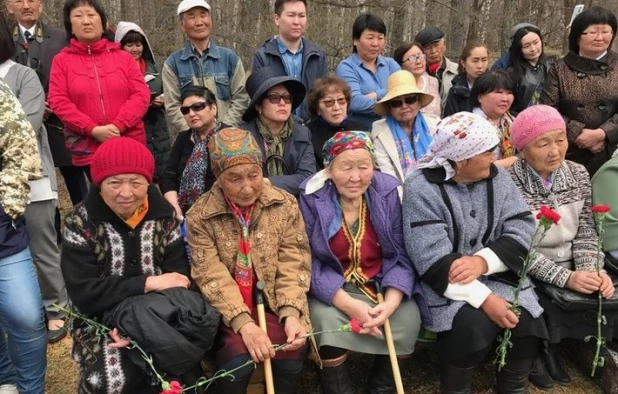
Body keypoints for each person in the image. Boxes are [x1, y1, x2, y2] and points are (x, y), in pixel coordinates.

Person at [403, 112, 547, 394]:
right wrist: (485, 299)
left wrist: (483, 262)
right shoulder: (422, 187)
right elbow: (429, 254)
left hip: (499, 272)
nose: (494, 157)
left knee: (527, 318)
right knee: (471, 325)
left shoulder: (498, 179)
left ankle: (513, 386)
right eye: (486, 152)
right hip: (448, 282)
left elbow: (521, 226)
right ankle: (456, 388)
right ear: (460, 159)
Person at [61, 137, 210, 394]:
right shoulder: (80, 223)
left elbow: (179, 280)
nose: (126, 193)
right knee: (109, 381)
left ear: (149, 182)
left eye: (136, 182)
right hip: (97, 321)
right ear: (99, 183)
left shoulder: (164, 218)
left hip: (158, 317)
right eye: (115, 183)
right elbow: (85, 293)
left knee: (182, 381)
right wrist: (148, 282)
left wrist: (143, 327)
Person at [299, 131, 428, 394]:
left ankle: (380, 389)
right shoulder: (311, 197)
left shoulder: (389, 191)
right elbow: (306, 259)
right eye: (346, 167)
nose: (356, 177)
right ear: (329, 168)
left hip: (380, 284)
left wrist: (391, 304)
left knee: (408, 317)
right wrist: (347, 304)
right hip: (333, 289)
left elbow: (402, 253)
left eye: (364, 167)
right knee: (324, 321)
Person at [186, 127, 311, 394]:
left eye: (254, 175)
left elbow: (295, 260)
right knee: (237, 362)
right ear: (218, 177)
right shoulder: (200, 216)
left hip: (275, 301)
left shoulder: (284, 204)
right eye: (234, 178)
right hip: (228, 308)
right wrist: (245, 324)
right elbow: (209, 274)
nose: (246, 187)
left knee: (289, 354)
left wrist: (291, 313)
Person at [509, 105, 616, 390]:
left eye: (560, 140)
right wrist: (566, 278)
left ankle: (578, 346)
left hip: (571, 259)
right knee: (531, 298)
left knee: (602, 287)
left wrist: (592, 269)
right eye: (543, 143)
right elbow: (517, 248)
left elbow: (586, 231)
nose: (555, 150)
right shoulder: (509, 183)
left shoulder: (578, 174)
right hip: (530, 268)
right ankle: (540, 352)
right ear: (521, 148)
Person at [0, 11, 68, 344]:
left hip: (32, 179)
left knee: (42, 247)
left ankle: (55, 308)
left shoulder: (23, 75)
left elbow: (26, 125)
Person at [48, 0, 150, 176]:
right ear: (70, 26)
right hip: (88, 146)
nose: (86, 21)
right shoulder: (61, 61)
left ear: (103, 24)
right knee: (101, 197)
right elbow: (58, 100)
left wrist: (119, 125)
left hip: (128, 141)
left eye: (91, 15)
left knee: (133, 195)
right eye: (78, 16)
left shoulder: (123, 58)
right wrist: (92, 129)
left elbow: (141, 94)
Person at [7, 0, 89, 205]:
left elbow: (75, 75)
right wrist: (28, 106)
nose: (26, 6)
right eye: (19, 1)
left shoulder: (61, 38)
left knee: (77, 184)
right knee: (38, 189)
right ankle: (51, 232)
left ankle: (85, 229)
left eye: (32, 0)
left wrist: (52, 101)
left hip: (61, 124)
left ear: (41, 5)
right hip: (22, 125)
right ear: (9, 7)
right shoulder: (5, 39)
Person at [0, 78, 46, 394]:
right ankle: (5, 378)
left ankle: (30, 389)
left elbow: (21, 151)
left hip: (2, 229)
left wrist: (8, 204)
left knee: (27, 316)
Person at [540, 6, 618, 176]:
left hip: (612, 151)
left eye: (606, 31)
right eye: (592, 32)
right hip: (570, 151)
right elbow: (548, 108)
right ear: (577, 36)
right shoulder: (560, 68)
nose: (600, 37)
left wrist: (603, 133)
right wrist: (577, 132)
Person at [163, 0, 249, 136]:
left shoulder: (230, 58)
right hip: (191, 142)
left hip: (229, 138)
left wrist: (224, 129)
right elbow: (172, 106)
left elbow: (242, 97)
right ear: (182, 25)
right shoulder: (173, 64)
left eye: (203, 15)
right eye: (192, 17)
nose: (199, 22)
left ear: (210, 20)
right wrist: (194, 134)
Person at [240, 67, 316, 196]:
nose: (282, 103)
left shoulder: (302, 133)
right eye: (274, 98)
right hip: (252, 201)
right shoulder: (243, 136)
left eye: (287, 98)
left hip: (294, 203)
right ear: (259, 106)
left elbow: (307, 177)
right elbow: (243, 180)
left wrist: (268, 182)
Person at [252, 0, 328, 122]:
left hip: (312, 130)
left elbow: (324, 96)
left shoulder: (318, 56)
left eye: (301, 16)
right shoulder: (263, 56)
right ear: (277, 19)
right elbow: (261, 100)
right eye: (291, 15)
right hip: (276, 129)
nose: (297, 22)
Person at [115, 21, 171, 183]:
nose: (134, 49)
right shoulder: (115, 70)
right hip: (131, 128)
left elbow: (169, 94)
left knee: (162, 172)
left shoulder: (153, 68)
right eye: (129, 45)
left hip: (158, 129)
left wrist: (163, 101)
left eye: (138, 44)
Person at [161, 86, 229, 219]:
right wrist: (174, 206)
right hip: (184, 214)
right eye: (185, 110)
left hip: (222, 213)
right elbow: (168, 176)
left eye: (198, 107)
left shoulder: (229, 137)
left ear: (213, 108)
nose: (191, 114)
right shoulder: (183, 138)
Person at [371, 70, 438, 190]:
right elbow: (389, 176)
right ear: (389, 108)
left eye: (410, 99)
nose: (404, 106)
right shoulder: (380, 132)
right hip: (402, 195)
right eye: (396, 103)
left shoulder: (435, 125)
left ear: (419, 102)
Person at [335, 13, 400, 129]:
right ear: (355, 40)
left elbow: (403, 91)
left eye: (380, 38)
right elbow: (354, 102)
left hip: (394, 131)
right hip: (361, 134)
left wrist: (376, 94)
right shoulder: (346, 67)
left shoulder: (391, 64)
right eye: (370, 38)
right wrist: (393, 105)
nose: (375, 43)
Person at [305, 76, 367, 170]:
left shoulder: (361, 129)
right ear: (317, 108)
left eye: (341, 100)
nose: (337, 107)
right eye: (329, 102)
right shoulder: (307, 133)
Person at [471, 69, 518, 168]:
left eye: (509, 93)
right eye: (499, 92)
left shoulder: (513, 121)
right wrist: (515, 160)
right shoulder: (470, 125)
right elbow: (474, 167)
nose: (505, 98)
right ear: (480, 97)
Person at [506, 25, 556, 115]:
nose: (533, 49)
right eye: (526, 46)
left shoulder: (553, 64)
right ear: (519, 49)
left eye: (536, 42)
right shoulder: (512, 73)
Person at [392, 41, 441, 117]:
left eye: (421, 56)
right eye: (412, 58)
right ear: (400, 64)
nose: (418, 61)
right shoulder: (396, 86)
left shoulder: (433, 82)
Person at [414, 26, 458, 109]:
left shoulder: (457, 71)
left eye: (436, 45)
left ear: (444, 45)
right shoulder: (416, 74)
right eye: (427, 47)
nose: (433, 51)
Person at [443, 40, 489, 117]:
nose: (480, 65)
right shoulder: (456, 91)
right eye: (475, 61)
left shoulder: (495, 88)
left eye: (484, 60)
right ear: (463, 63)